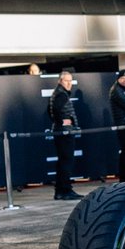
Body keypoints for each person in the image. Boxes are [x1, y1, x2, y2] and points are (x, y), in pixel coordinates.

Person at [49, 69, 81, 201]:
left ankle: (61, 190)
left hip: (62, 131)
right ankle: (65, 190)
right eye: (66, 81)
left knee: (64, 161)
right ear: (60, 81)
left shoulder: (60, 93)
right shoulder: (61, 94)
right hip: (64, 132)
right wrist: (64, 121)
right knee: (66, 161)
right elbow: (55, 110)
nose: (68, 83)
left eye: (70, 81)